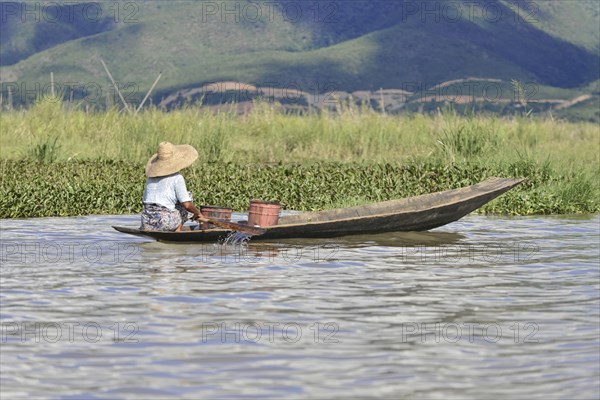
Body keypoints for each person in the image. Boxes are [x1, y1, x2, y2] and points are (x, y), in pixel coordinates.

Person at [140, 141, 204, 231]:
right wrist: (198, 213)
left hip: (146, 222)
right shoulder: (177, 178)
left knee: (178, 202)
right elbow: (187, 205)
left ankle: (175, 226)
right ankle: (178, 229)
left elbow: (145, 200)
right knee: (188, 196)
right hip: (165, 223)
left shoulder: (150, 179)